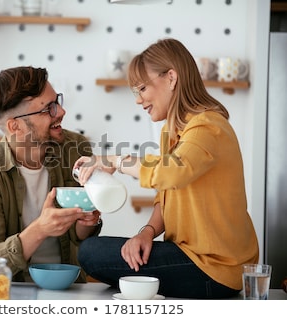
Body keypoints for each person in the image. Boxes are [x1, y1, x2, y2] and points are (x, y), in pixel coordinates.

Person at [74, 38, 259, 299]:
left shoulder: (208, 126)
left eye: (142, 88)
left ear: (171, 78)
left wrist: (114, 160)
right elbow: (165, 194)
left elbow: (171, 171)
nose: (138, 100)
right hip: (190, 256)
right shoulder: (172, 133)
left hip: (215, 268)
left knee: (91, 253)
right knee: (101, 252)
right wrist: (147, 233)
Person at [0, 66, 102, 282]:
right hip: (14, 292)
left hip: (71, 286)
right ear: (15, 126)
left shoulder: (76, 148)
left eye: (57, 101)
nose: (61, 112)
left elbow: (79, 237)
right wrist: (40, 229)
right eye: (48, 108)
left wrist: (87, 222)